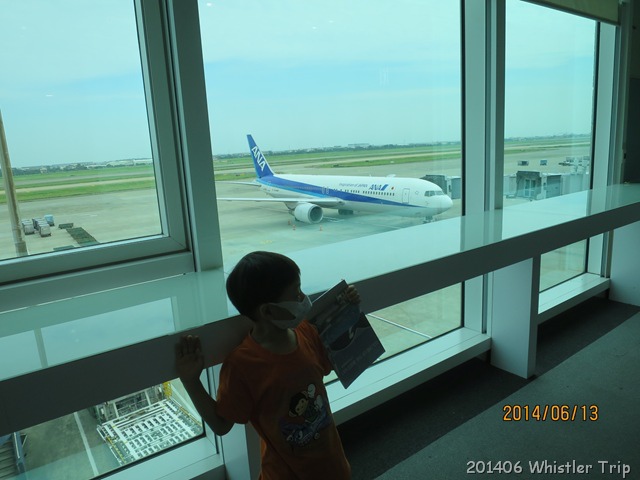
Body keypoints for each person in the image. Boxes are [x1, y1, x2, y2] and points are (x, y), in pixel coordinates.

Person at [175, 251, 358, 479]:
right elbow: (222, 424)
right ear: (267, 310)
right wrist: (191, 382)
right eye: (296, 294)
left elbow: (335, 358)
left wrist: (347, 308)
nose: (303, 298)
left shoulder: (305, 332)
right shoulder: (243, 365)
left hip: (333, 467)